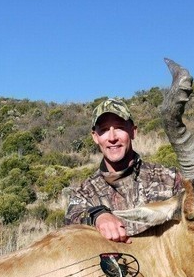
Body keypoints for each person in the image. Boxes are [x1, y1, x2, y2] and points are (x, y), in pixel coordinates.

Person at [65, 98, 183, 243]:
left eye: (119, 128)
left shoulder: (170, 179)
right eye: (104, 130)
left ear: (133, 132)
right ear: (95, 137)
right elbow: (71, 219)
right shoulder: (85, 192)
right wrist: (98, 216)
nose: (112, 138)